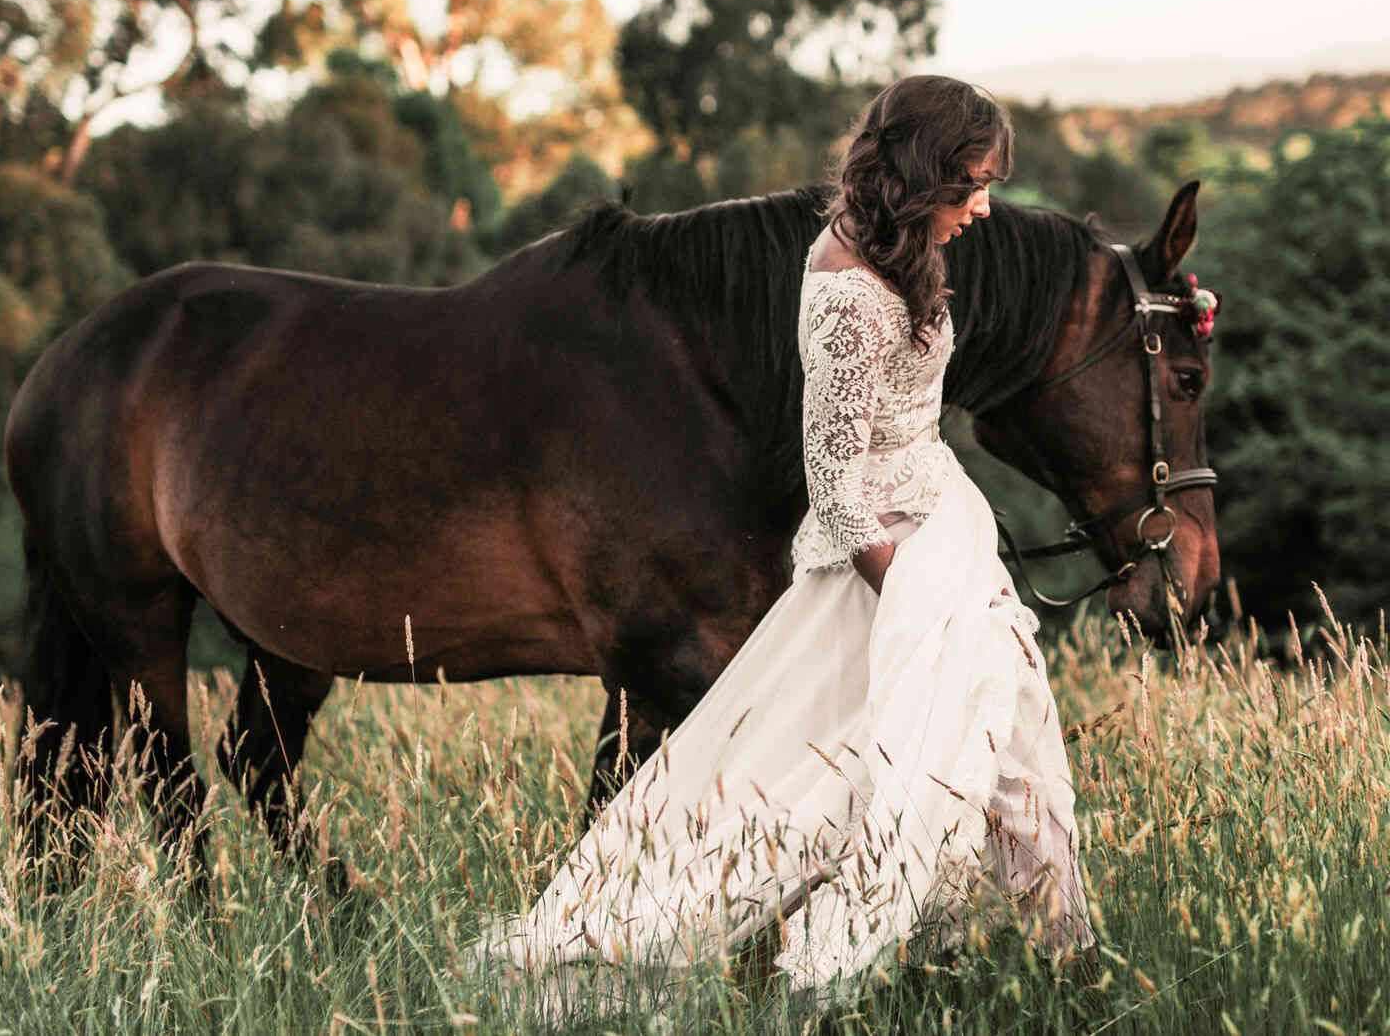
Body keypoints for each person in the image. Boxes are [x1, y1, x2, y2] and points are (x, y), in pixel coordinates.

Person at [463, 75, 1098, 1016]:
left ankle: (1069, 968)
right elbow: (836, 483)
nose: (983, 206)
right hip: (892, 568)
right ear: (924, 174)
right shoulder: (845, 291)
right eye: (971, 183)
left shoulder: (906, 248)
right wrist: (918, 603)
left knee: (1007, 748)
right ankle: (819, 979)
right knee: (824, 787)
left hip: (944, 536)